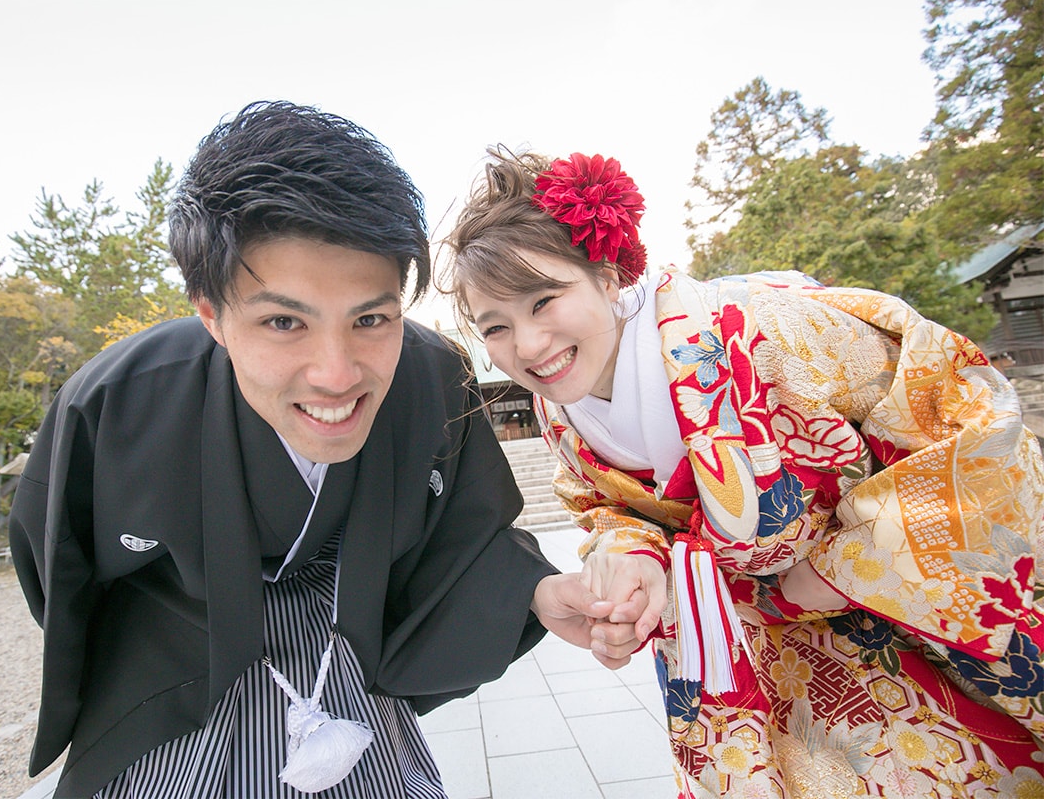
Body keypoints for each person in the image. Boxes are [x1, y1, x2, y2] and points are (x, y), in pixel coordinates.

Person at [8, 104, 647, 799]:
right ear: (210, 312)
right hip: (175, 688)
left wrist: (536, 591)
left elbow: (466, 537)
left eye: (371, 318)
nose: (337, 374)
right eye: (285, 321)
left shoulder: (432, 378)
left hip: (348, 678)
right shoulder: (120, 403)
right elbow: (58, 571)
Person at [442, 148, 1044, 795]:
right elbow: (603, 505)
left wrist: (843, 569)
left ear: (609, 275)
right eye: (495, 327)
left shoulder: (762, 328)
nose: (527, 347)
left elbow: (964, 411)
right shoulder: (559, 409)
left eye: (544, 301)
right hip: (764, 645)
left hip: (910, 605)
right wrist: (632, 557)